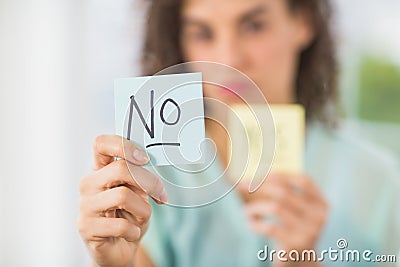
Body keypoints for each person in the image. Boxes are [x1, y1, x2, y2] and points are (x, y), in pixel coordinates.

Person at [77, 0, 400, 266]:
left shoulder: (378, 180)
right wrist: (114, 264)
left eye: (253, 26)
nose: (230, 58)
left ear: (303, 23)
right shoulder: (151, 174)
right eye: (202, 33)